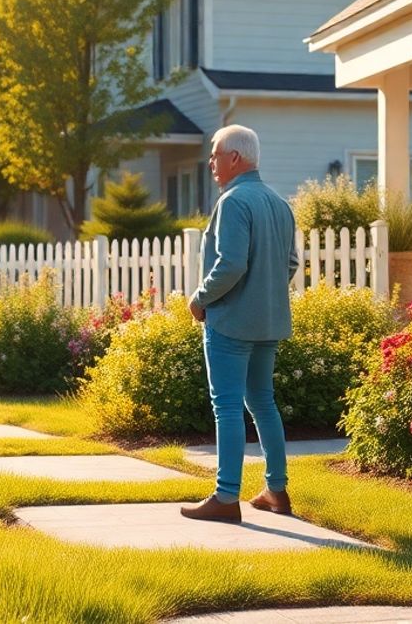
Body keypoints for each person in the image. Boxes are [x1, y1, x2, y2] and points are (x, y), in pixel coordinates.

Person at [181, 125, 297, 523]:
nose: (211, 162)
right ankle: (276, 491)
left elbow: (230, 264)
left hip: (230, 322)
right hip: (269, 322)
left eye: (215, 154)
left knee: (227, 406)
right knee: (263, 403)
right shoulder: (279, 204)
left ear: (235, 158)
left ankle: (226, 497)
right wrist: (264, 293)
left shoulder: (233, 202)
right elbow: (290, 264)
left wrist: (199, 300)